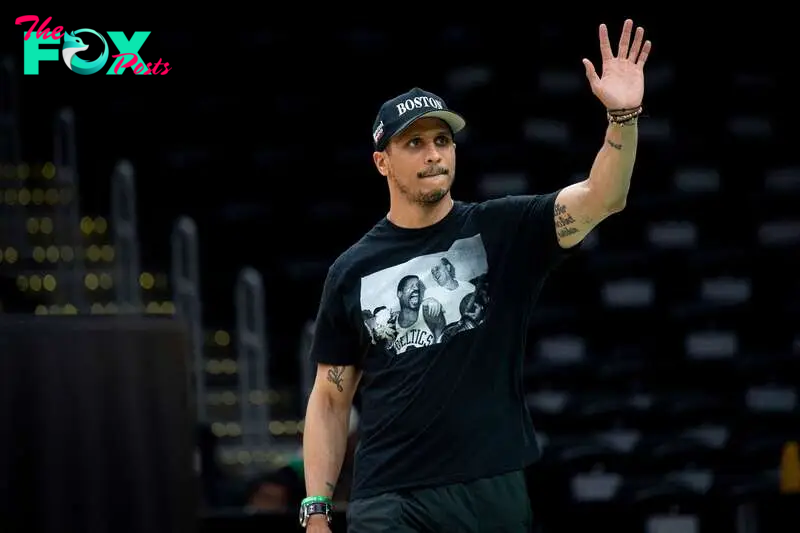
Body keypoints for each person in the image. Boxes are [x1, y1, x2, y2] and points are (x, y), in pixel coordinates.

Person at [300, 19, 652, 532]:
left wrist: (623, 116)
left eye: (442, 139)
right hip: (387, 497)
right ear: (382, 162)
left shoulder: (502, 230)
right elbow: (331, 397)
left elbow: (605, 196)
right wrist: (316, 508)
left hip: (488, 489)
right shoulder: (351, 270)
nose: (434, 153)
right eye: (414, 143)